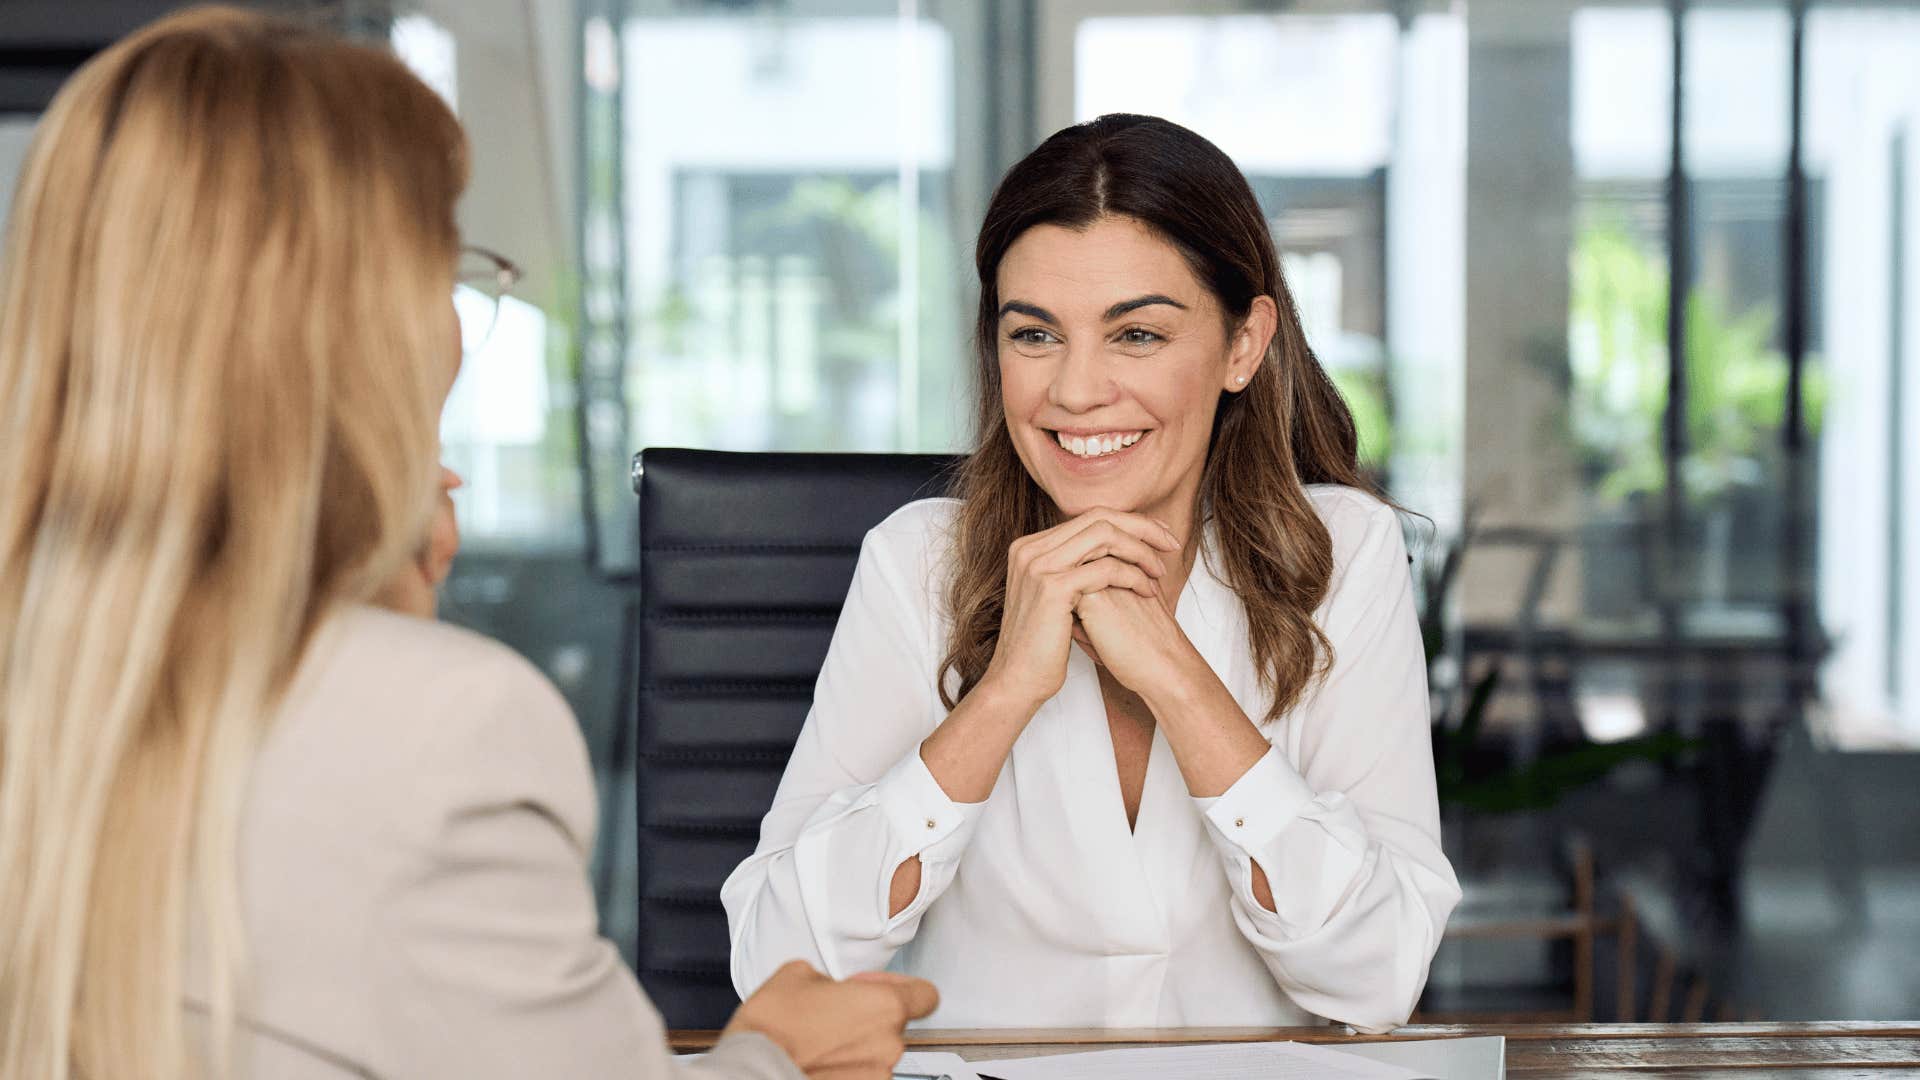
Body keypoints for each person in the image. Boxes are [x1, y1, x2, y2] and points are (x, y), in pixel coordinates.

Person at [0, 8, 934, 1080]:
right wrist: (777, 1058)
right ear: (361, 321)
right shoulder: (446, 731)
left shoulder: (62, 680)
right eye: (440, 261)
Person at [724, 114, 1461, 1032]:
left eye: (1137, 336)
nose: (1074, 391)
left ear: (1243, 344)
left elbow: (1376, 973)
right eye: (1034, 335)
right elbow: (775, 962)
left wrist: (1178, 677)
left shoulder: (1341, 555)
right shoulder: (920, 562)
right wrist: (1000, 698)